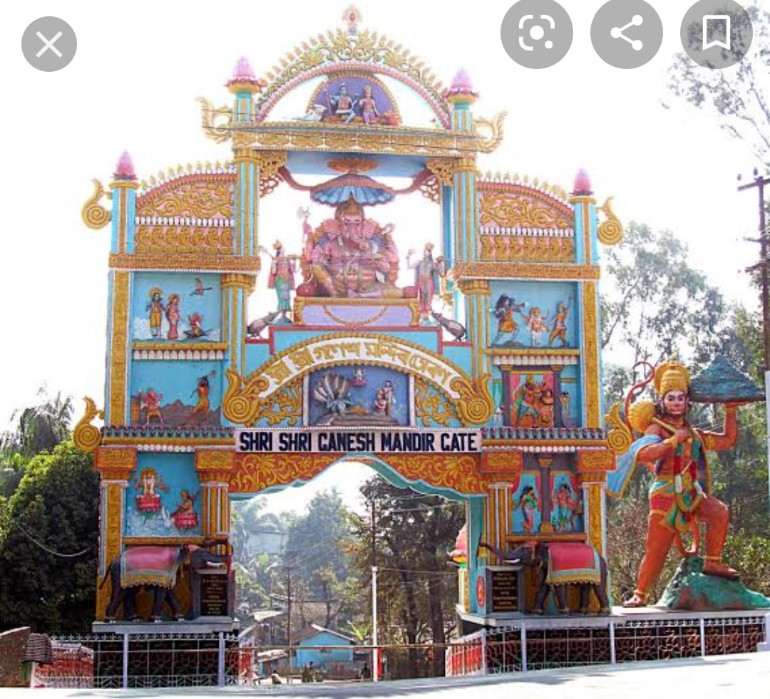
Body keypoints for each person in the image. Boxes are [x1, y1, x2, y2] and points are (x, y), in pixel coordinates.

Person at [608, 360, 744, 607]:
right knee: (657, 548)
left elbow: (727, 440)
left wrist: (731, 410)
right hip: (665, 492)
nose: (676, 403)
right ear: (662, 401)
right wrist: (672, 441)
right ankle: (640, 593)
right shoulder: (657, 428)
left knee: (719, 512)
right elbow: (644, 454)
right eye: (671, 398)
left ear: (687, 401)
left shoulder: (693, 433)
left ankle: (712, 562)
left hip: (691, 490)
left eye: (680, 398)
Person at [261, 241, 297, 322]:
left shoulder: (287, 260)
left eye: (282, 248)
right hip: (279, 280)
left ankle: (284, 315)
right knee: (281, 297)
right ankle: (281, 315)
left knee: (287, 298)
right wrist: (273, 264)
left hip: (287, 280)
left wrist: (294, 261)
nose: (282, 250)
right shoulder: (276, 260)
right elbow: (273, 272)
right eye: (281, 249)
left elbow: (293, 270)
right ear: (278, 251)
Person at [407, 244, 443, 322]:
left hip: (429, 281)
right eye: (424, 251)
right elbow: (410, 266)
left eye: (427, 251)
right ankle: (422, 314)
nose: (425, 253)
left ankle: (427, 314)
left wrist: (440, 263)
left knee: (428, 298)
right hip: (421, 281)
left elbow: (440, 273)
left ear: (430, 253)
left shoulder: (432, 263)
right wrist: (408, 256)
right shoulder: (419, 263)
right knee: (421, 297)